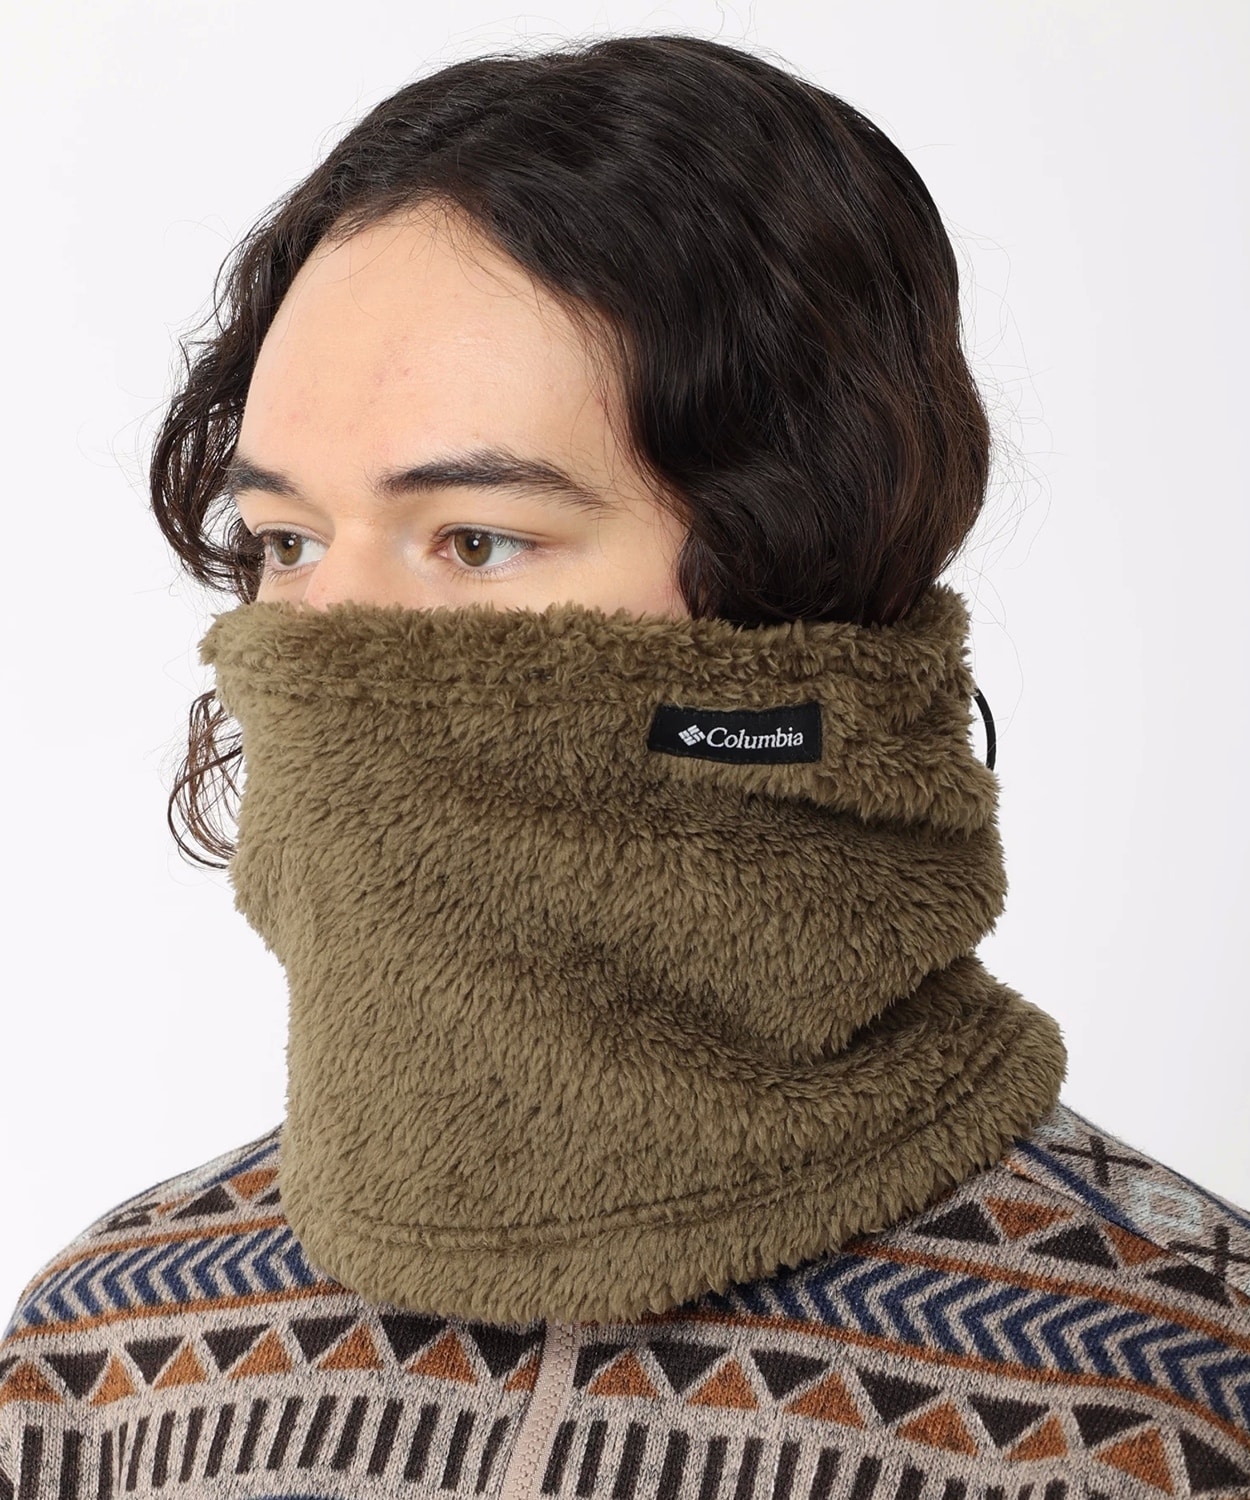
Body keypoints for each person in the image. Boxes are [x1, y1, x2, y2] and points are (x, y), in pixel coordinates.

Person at [1, 32, 1246, 1500]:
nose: (322, 642)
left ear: (783, 600)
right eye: (287, 540)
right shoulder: (109, 1360)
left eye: (475, 540)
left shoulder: (1171, 1387)